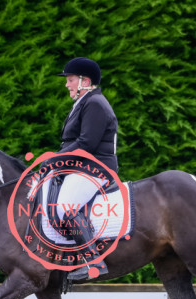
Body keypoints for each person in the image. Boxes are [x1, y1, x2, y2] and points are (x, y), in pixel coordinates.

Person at [54, 57, 119, 281]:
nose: (67, 84)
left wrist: (55, 160)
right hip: (82, 166)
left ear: (85, 81)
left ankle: (93, 261)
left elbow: (86, 143)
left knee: (66, 206)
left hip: (95, 168)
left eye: (70, 80)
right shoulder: (84, 102)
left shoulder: (95, 103)